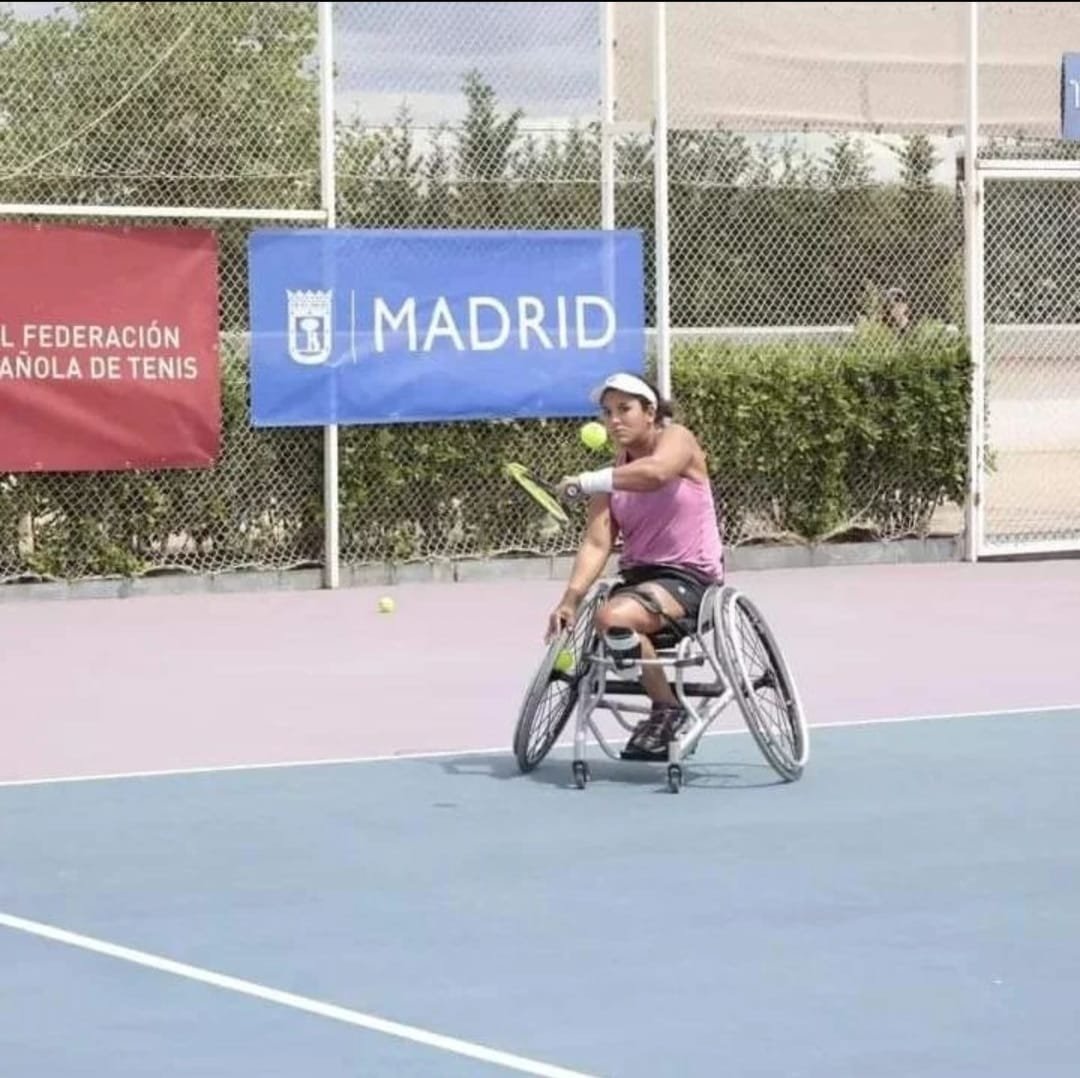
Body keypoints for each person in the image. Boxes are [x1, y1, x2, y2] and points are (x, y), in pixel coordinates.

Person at [544, 371, 725, 761]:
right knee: (614, 615)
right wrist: (570, 600)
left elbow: (657, 472)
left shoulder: (678, 439)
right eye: (607, 412)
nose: (613, 420)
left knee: (613, 618)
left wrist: (588, 481)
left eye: (624, 409)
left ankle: (667, 710)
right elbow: (597, 543)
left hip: (691, 578)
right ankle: (659, 695)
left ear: (650, 411)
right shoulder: (609, 478)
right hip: (638, 581)